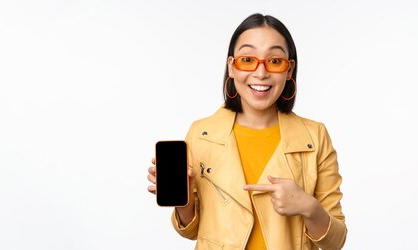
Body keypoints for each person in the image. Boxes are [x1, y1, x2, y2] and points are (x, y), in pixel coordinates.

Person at [147, 13, 347, 249]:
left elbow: (336, 241)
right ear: (231, 66)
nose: (260, 73)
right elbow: (191, 230)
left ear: (289, 70)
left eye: (274, 61)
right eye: (247, 60)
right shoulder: (201, 134)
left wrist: (308, 207)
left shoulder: (315, 136)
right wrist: (184, 202)